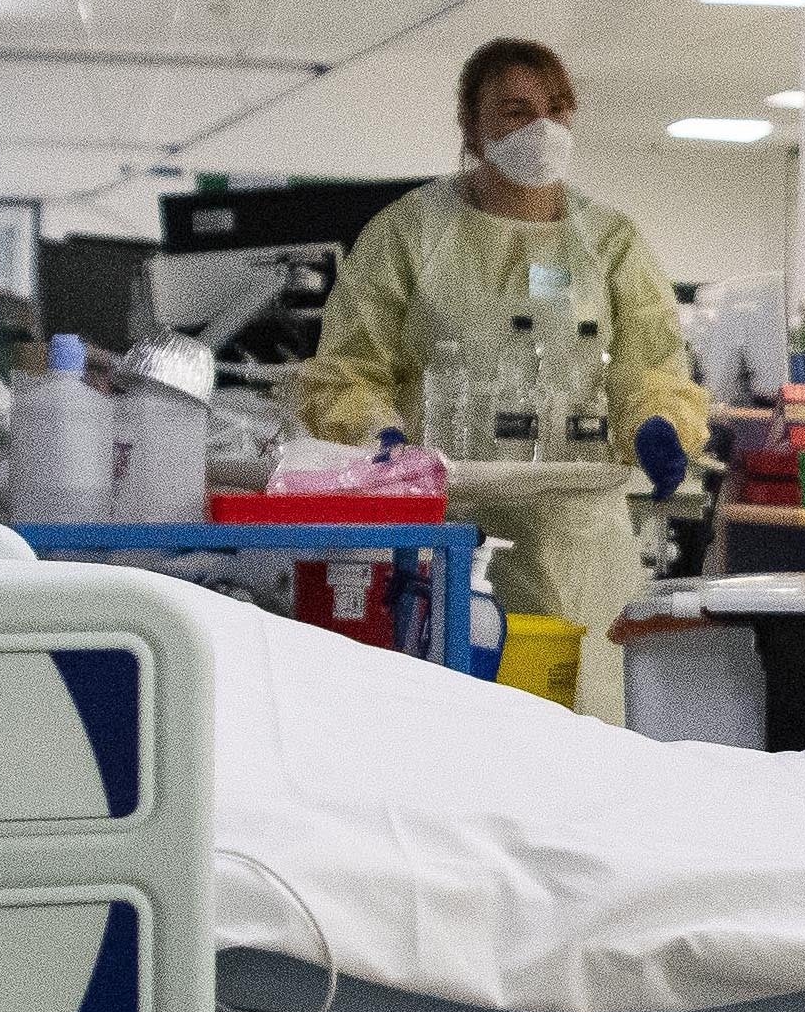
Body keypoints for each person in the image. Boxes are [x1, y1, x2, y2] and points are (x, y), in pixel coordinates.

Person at [293, 37, 707, 716]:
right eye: (515, 110)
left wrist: (658, 426)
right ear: (471, 123)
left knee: (583, 720)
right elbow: (346, 369)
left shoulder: (609, 242)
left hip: (571, 533)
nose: (541, 127)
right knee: (444, 714)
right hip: (448, 528)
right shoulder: (409, 234)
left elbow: (652, 365)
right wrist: (379, 434)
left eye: (556, 108)